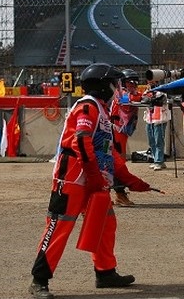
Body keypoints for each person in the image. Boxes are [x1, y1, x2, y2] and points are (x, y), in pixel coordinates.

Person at [28, 63, 152, 299]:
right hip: (73, 178)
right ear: (103, 86)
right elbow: (81, 142)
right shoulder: (87, 106)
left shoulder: (101, 111)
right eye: (113, 83)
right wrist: (95, 176)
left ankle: (105, 273)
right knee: (58, 226)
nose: (116, 88)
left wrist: (132, 181)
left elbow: (108, 154)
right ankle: (39, 280)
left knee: (105, 224)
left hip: (94, 182)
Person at [109, 68, 143, 206]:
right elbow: (129, 100)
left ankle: (112, 195)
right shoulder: (121, 93)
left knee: (114, 163)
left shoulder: (130, 92)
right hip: (114, 132)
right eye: (130, 82)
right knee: (118, 164)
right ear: (123, 83)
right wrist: (144, 97)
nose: (133, 84)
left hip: (120, 133)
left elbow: (137, 96)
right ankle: (120, 195)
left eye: (135, 82)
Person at [143, 80, 170, 171]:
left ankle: (159, 161)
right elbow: (144, 100)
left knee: (159, 140)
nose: (150, 82)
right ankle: (156, 159)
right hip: (149, 119)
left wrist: (151, 97)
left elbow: (161, 101)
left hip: (160, 119)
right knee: (151, 141)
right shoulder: (147, 92)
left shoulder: (162, 91)